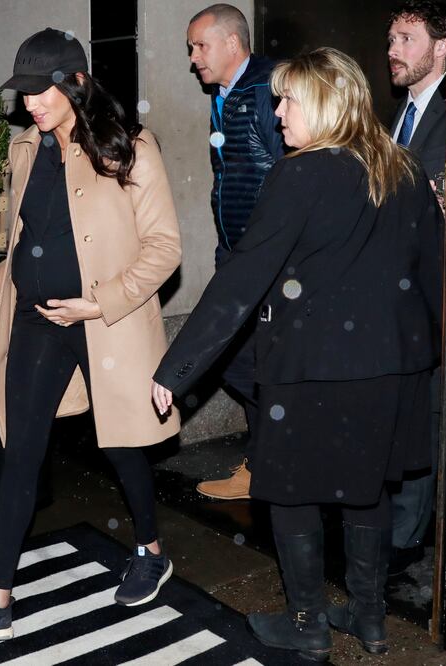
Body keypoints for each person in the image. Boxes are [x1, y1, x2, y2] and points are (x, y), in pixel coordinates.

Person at [152, 48, 442, 661]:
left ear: (323, 103)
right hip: (389, 367)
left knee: (288, 492)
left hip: (312, 367)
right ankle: (369, 620)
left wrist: (177, 369)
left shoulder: (302, 174)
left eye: (287, 101)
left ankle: (308, 622)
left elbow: (241, 279)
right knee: (368, 492)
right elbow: (431, 277)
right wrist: (423, 353)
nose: (277, 114)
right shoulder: (405, 171)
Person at [0, 28, 182, 643]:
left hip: (105, 323)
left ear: (75, 84)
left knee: (121, 443)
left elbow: (165, 248)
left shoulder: (129, 148)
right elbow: (22, 238)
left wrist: (99, 304)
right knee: (21, 452)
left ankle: (149, 549)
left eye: (42, 91)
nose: (31, 103)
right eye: (24, 93)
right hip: (37, 320)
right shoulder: (25, 150)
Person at [186, 4, 283, 500]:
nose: (193, 57)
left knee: (248, 358)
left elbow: (288, 174)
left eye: (199, 46)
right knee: (235, 356)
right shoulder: (224, 93)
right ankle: (269, 457)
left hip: (269, 260)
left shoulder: (270, 87)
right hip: (236, 254)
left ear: (231, 43)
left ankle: (275, 460)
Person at [386, 0, 446, 575]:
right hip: (390, 291)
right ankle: (393, 529)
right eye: (391, 39)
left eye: (407, 38)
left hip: (432, 292)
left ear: (442, 47)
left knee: (425, 413)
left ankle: (409, 538)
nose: (393, 50)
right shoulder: (396, 116)